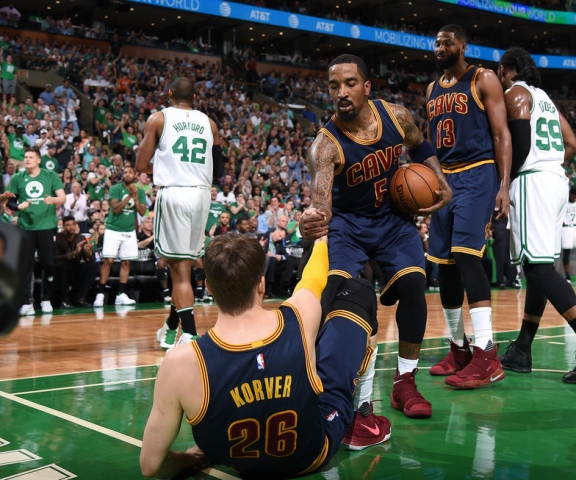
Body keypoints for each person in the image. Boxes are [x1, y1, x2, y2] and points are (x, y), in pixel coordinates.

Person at [140, 233, 380, 479]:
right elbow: (313, 278)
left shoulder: (181, 362)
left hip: (238, 464)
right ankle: (363, 415)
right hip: (313, 455)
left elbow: (151, 466)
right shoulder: (299, 315)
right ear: (262, 283)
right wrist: (320, 241)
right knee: (359, 291)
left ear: (208, 288)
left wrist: (192, 458)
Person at [300, 54, 451, 441]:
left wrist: (438, 179)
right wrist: (311, 221)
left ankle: (404, 382)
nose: (341, 93)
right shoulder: (325, 145)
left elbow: (420, 145)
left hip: (391, 220)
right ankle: (331, 384)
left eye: (350, 83)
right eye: (334, 86)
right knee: (340, 297)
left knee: (416, 286)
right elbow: (321, 205)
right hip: (348, 226)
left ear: (367, 87)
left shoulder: (396, 117)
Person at [425, 24, 512, 389]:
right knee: (443, 266)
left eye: (447, 42)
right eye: (437, 42)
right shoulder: (430, 90)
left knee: (466, 256)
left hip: (478, 173)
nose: (440, 46)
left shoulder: (484, 78)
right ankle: (458, 348)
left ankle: (487, 354)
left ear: (462, 45)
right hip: (444, 180)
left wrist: (503, 184)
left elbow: (500, 133)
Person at [495, 47, 576, 384]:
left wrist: (506, 181)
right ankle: (522, 348)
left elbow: (523, 143)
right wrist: (552, 164)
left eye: (500, 72)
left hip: (533, 182)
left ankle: (522, 348)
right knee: (535, 265)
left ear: (507, 69)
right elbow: (571, 142)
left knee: (539, 268)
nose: (499, 78)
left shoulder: (516, 92)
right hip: (556, 180)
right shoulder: (545, 98)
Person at [136, 77, 224, 350]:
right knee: (184, 265)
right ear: (195, 97)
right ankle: (171, 326)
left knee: (179, 272)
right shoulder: (210, 124)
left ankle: (190, 334)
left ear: (170, 93)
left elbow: (140, 164)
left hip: (174, 193)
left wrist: (166, 167)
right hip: (201, 195)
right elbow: (219, 170)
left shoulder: (158, 119)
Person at [8, 147, 65, 315]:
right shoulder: (17, 178)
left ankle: (46, 299)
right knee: (26, 265)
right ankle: (27, 302)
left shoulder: (51, 175)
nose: (27, 159)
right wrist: (19, 206)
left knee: (48, 263)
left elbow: (62, 197)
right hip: (26, 227)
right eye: (25, 157)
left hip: (47, 226)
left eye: (31, 157)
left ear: (39, 160)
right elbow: (10, 202)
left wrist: (52, 199)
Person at [93, 165, 146, 307]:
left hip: (129, 230)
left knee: (126, 262)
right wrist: (129, 195)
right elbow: (116, 209)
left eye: (130, 172)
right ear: (122, 175)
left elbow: (142, 212)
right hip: (113, 229)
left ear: (134, 176)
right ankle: (100, 294)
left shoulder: (140, 192)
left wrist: (135, 198)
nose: (127, 174)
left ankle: (121, 294)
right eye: (125, 172)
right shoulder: (115, 189)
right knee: (108, 261)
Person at [55, 216, 98, 308]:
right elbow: (55, 258)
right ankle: (64, 300)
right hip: (61, 270)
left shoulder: (81, 237)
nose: (71, 227)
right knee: (62, 266)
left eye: (73, 224)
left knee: (93, 265)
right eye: (68, 225)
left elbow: (88, 258)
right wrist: (73, 253)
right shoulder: (58, 238)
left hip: (76, 268)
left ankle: (81, 298)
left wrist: (88, 253)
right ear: (63, 227)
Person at [136, 215, 171, 302]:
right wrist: (153, 237)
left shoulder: (158, 236)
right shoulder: (139, 235)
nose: (150, 224)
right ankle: (165, 292)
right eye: (147, 222)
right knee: (161, 262)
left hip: (161, 258)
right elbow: (137, 246)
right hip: (145, 262)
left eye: (151, 222)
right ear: (142, 224)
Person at [561, 186, 576, 282]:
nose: (575, 198)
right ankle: (567, 275)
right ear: (570, 194)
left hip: (575, 227)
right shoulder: (564, 203)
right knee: (566, 253)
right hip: (566, 229)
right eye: (574, 195)